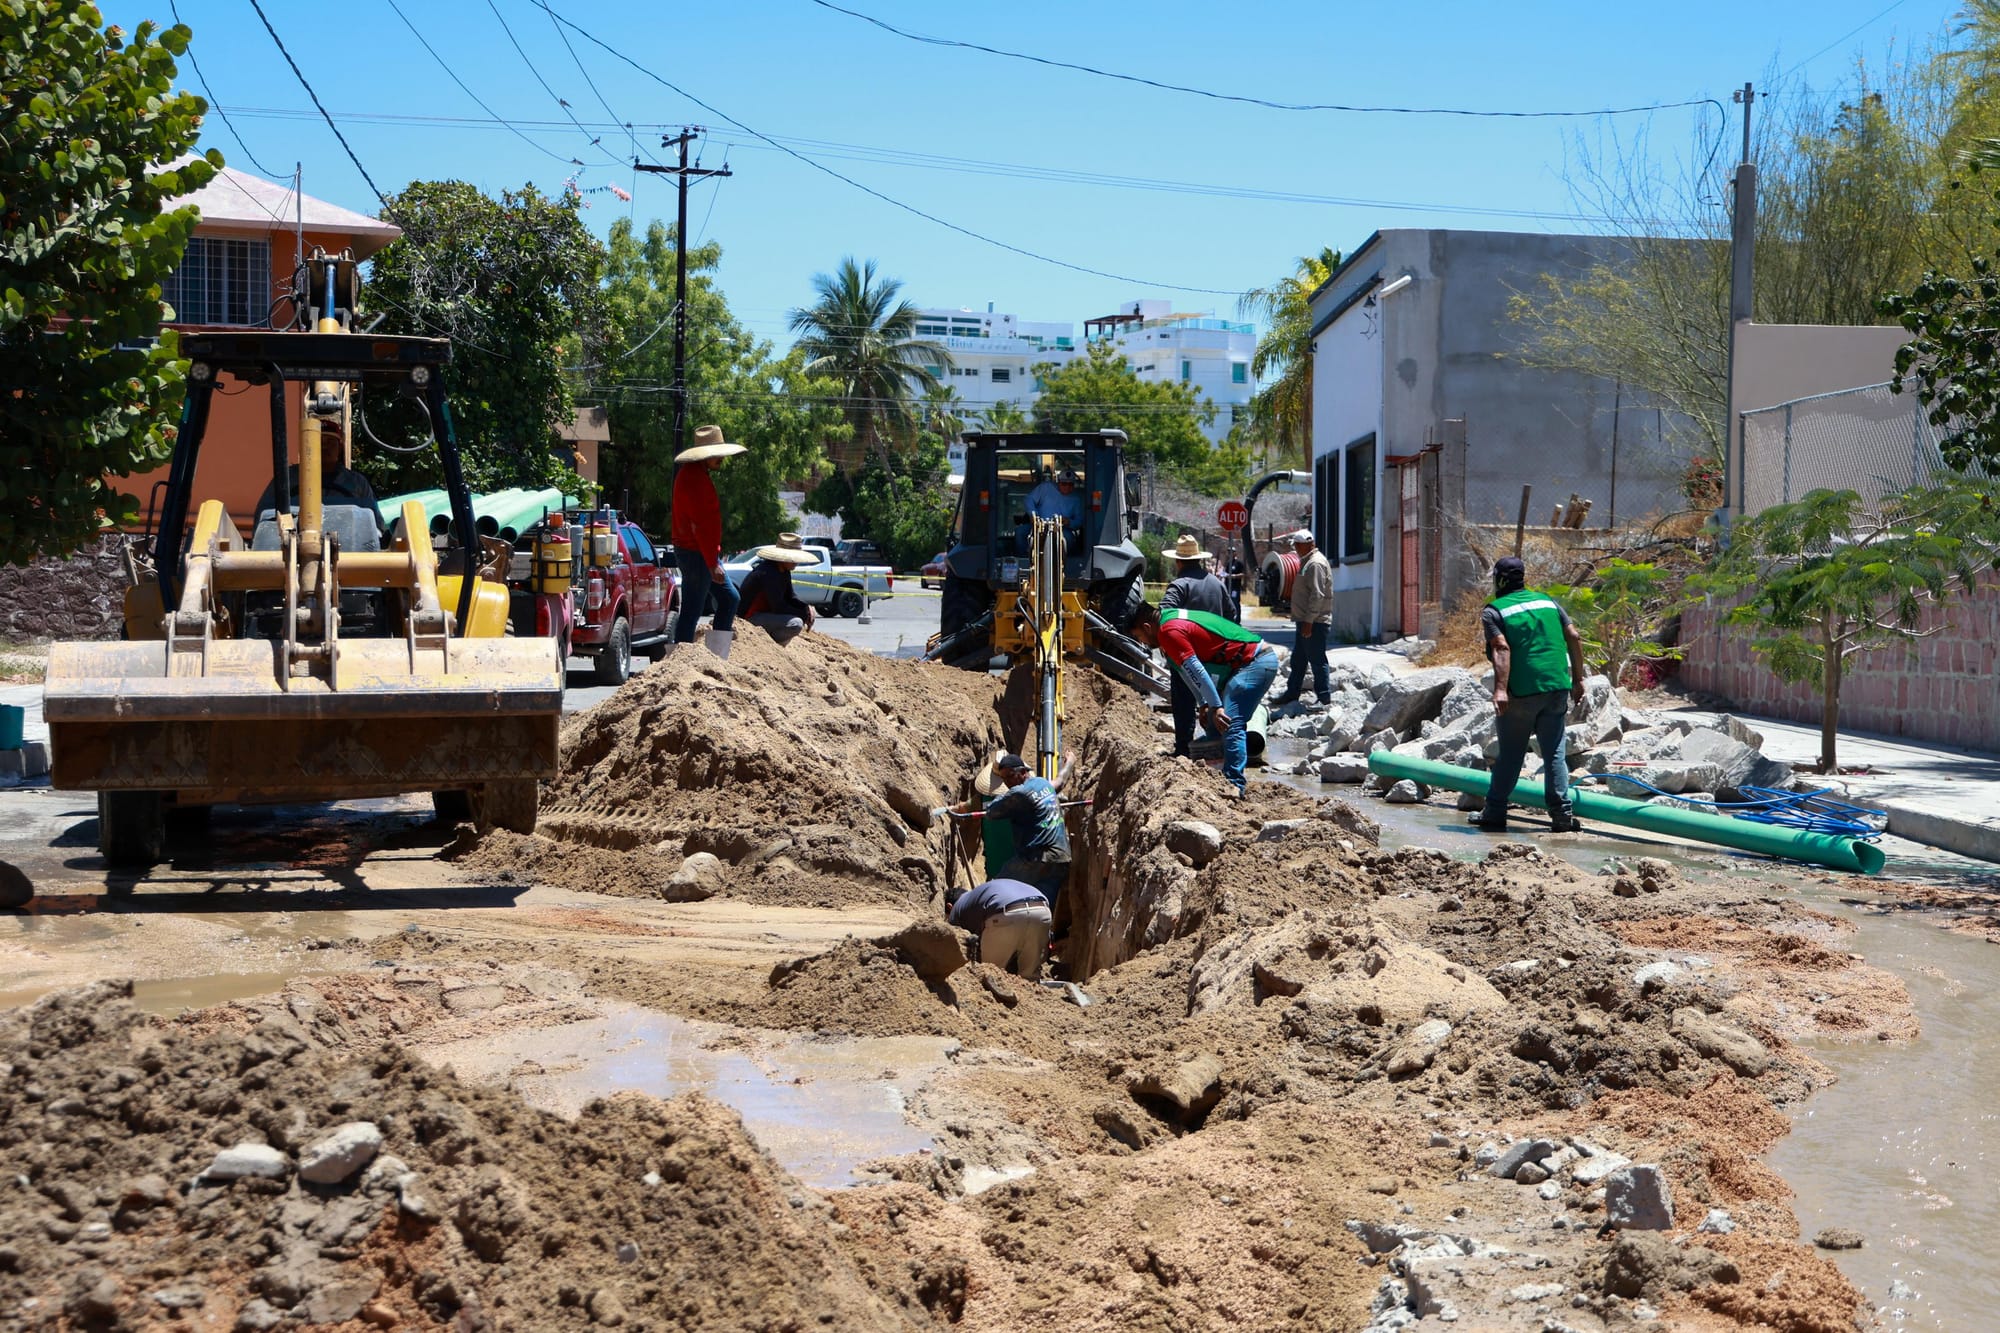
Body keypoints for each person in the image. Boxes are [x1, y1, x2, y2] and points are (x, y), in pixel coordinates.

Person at [1473, 555, 1588, 834]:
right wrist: (1578, 679)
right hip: (1556, 687)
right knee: (1554, 755)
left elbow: (1501, 647)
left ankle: (1494, 813)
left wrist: (1500, 690)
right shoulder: (1548, 601)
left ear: (1499, 580)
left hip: (1522, 692)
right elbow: (1573, 636)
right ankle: (1562, 817)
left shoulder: (1494, 611)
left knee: (1511, 755)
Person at [1128, 602, 1279, 794]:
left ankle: (1234, 785)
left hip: (1255, 662)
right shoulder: (1167, 622)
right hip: (1242, 665)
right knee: (1213, 724)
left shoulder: (1169, 631)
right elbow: (1187, 673)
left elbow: (1197, 670)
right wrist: (1204, 704)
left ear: (1147, 627)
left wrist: (1215, 705)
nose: (1143, 642)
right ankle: (1216, 778)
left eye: (1139, 637)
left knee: (1228, 721)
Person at [941, 751, 1075, 907]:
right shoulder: (1043, 783)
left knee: (995, 890)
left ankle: (973, 917)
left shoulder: (1018, 793)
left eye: (1010, 777)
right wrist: (1070, 762)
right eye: (1004, 779)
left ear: (1023, 772)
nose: (1007, 783)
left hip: (1035, 858)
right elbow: (1060, 780)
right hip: (1061, 857)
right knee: (1042, 906)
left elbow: (992, 812)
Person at [670, 425, 746, 659]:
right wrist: (712, 562)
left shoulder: (693, 475)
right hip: (696, 555)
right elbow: (701, 526)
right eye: (718, 454)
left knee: (728, 597)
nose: (721, 458)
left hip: (697, 553)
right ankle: (681, 664)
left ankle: (716, 657)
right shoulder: (695, 480)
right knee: (692, 610)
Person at [1159, 534, 1235, 759]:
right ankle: (1215, 748)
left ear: (1179, 562)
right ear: (1199, 560)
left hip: (1186, 656)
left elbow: (1165, 613)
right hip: (1215, 656)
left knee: (1184, 701)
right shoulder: (1216, 584)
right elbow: (1232, 615)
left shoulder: (1180, 585)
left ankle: (1184, 749)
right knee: (1214, 699)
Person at [944, 878, 1053, 981]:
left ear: (949, 907)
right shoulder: (978, 895)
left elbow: (955, 942)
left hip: (1007, 913)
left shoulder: (958, 906)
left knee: (991, 974)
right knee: (1030, 977)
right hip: (1042, 911)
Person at [1270, 528, 1333, 707]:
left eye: (1298, 545)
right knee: (1298, 659)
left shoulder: (1315, 564)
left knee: (1317, 659)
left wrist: (1309, 621)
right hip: (1305, 620)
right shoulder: (1307, 562)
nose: (1296, 548)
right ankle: (1292, 693)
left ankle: (1324, 697)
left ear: (1308, 544)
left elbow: (1317, 595)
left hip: (1314, 622)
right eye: (1295, 545)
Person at [738, 532, 817, 645]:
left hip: (766, 615)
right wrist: (804, 615)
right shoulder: (768, 572)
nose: (797, 562)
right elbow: (778, 607)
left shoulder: (784, 571)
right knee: (796, 624)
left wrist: (806, 608)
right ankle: (769, 645)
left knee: (797, 619)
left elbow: (791, 597)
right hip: (750, 617)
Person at [1225, 555, 1247, 619]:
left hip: (1235, 587)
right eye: (1228, 552)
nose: (1230, 553)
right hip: (1228, 587)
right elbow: (1225, 573)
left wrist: (1234, 576)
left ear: (1235, 553)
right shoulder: (1228, 563)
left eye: (1231, 551)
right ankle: (1230, 618)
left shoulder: (1238, 563)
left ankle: (1237, 619)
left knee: (1235, 602)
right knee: (1228, 602)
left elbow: (1243, 574)